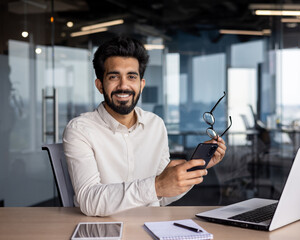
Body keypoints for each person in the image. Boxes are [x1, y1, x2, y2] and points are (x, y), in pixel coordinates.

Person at [63, 36, 227, 216]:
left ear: (141, 85)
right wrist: (157, 185)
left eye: (131, 76)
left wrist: (194, 169)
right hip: (103, 229)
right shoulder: (80, 129)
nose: (123, 85)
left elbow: (161, 197)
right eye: (113, 77)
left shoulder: (155, 124)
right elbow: (89, 200)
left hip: (151, 227)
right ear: (100, 85)